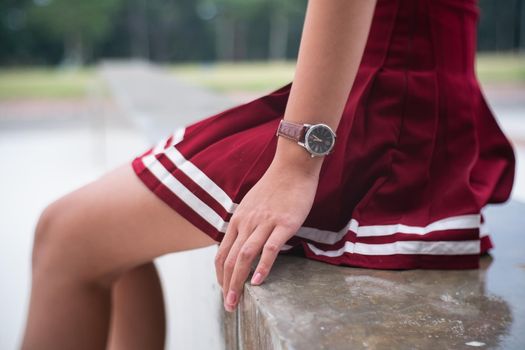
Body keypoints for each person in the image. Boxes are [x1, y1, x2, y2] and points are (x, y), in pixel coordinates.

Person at [21, 0, 515, 349]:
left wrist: (297, 162)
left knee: (64, 239)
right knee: (106, 245)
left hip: (382, 108)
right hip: (399, 86)